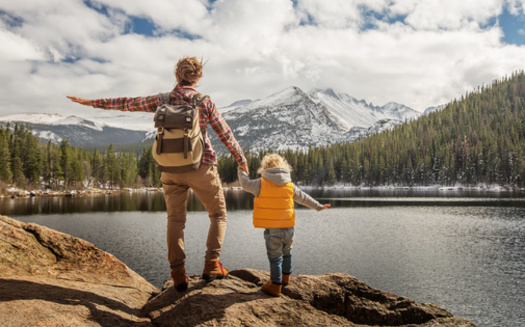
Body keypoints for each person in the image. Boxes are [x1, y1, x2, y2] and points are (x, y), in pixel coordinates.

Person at [67, 57, 248, 291]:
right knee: (218, 215)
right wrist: (241, 160)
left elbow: (127, 103)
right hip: (201, 166)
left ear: (177, 76)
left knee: (175, 220)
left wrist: (92, 102)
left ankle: (178, 274)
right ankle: (212, 265)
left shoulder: (162, 100)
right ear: (198, 78)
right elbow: (225, 134)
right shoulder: (204, 101)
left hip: (169, 169)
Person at [237, 153, 330, 297]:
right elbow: (304, 198)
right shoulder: (289, 185)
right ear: (283, 167)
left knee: (275, 257)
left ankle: (275, 285)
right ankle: (285, 278)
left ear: (265, 167)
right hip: (289, 228)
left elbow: (244, 184)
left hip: (273, 230)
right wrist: (318, 206)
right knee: (287, 252)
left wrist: (241, 170)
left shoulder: (261, 183)